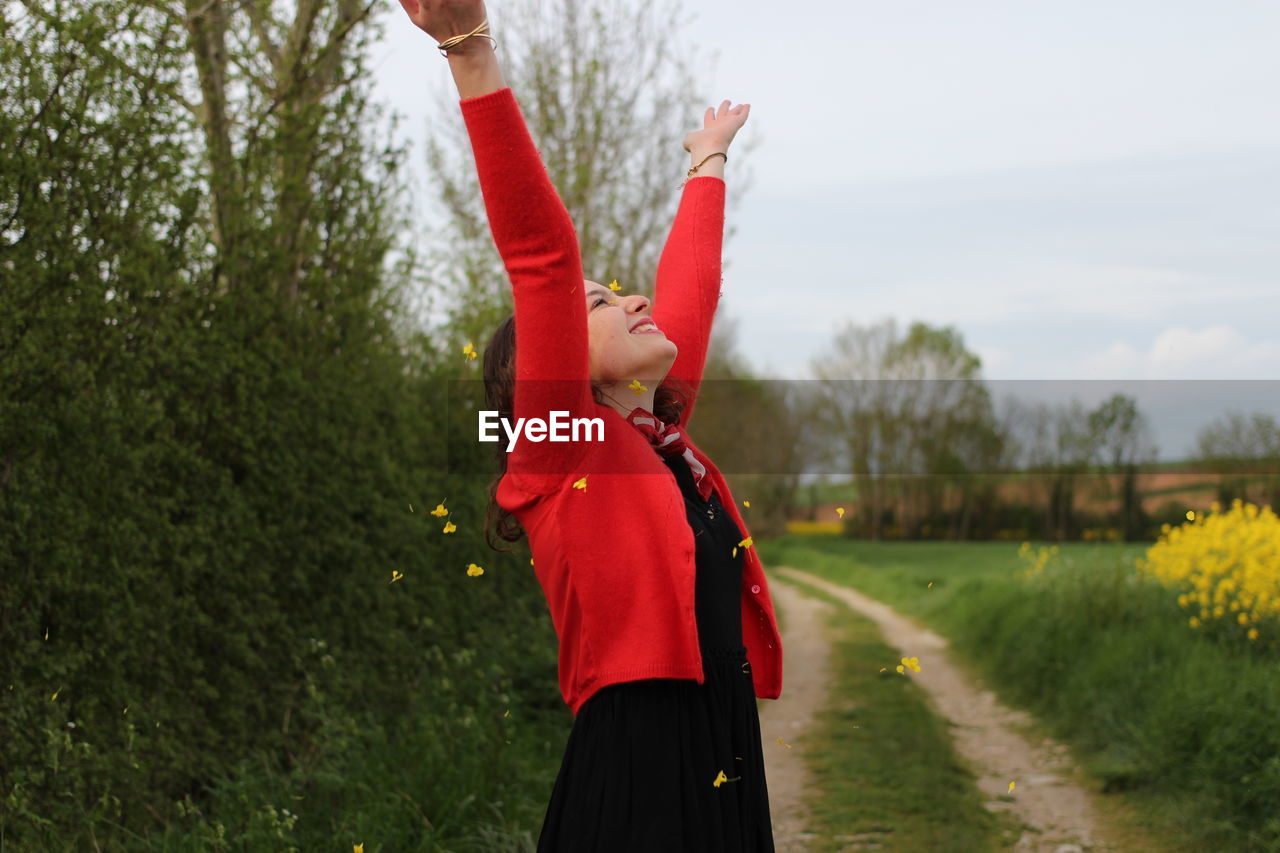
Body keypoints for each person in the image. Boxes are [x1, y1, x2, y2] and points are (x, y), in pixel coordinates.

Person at [397, 2, 783, 849]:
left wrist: (708, 160)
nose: (634, 299)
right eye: (604, 302)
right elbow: (543, 256)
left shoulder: (657, 437)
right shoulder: (560, 441)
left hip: (719, 744)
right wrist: (468, 51)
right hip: (640, 762)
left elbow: (690, 294)